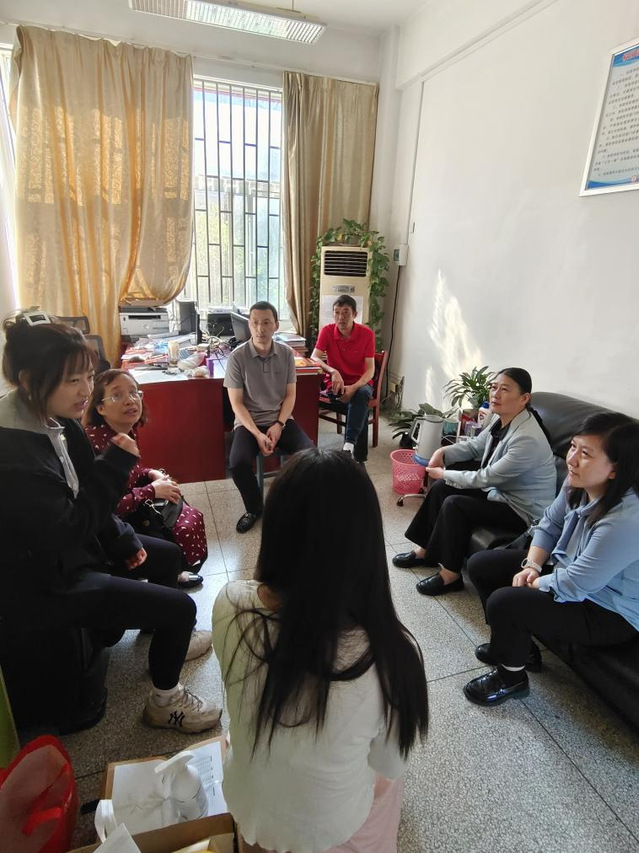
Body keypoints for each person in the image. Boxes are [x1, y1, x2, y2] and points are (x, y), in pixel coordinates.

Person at [0, 311, 220, 733]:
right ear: (29, 380)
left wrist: (123, 540)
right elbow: (69, 528)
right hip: (49, 582)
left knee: (166, 555)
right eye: (73, 381)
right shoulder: (13, 456)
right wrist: (117, 464)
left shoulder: (56, 416)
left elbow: (89, 495)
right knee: (182, 607)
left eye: (88, 377)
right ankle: (165, 702)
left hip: (77, 549)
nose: (86, 391)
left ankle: (159, 632)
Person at [213, 448, 428, 853]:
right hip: (330, 831)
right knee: (390, 781)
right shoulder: (392, 655)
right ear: (367, 543)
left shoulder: (230, 603)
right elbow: (389, 763)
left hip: (245, 806)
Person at [463, 412, 639, 706]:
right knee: (482, 565)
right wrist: (532, 565)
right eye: (573, 447)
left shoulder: (625, 522)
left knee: (506, 602)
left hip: (608, 610)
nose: (572, 460)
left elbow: (577, 584)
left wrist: (533, 583)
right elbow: (550, 524)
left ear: (615, 469)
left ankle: (511, 678)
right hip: (568, 570)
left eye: (586, 454)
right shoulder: (577, 483)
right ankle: (520, 650)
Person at [392, 368, 556, 596]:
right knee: (442, 488)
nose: (495, 394)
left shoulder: (527, 438)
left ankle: (450, 576)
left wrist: (444, 473)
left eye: (504, 389)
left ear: (524, 398)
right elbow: (476, 446)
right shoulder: (502, 418)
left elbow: (486, 477)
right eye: (494, 387)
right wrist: (444, 452)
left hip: (522, 510)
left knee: (455, 504)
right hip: (501, 491)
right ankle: (425, 551)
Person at [84, 369, 207, 590]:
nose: (130, 400)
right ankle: (169, 575)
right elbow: (107, 509)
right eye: (117, 395)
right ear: (100, 407)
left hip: (127, 510)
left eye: (134, 393)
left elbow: (131, 472)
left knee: (183, 512)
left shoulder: (124, 430)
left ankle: (173, 571)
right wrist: (151, 490)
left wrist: (150, 473)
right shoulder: (95, 444)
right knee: (171, 539)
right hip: (107, 530)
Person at [224, 301, 313, 534]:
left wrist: (279, 424)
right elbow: (236, 403)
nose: (260, 328)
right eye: (255, 323)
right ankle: (254, 508)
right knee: (237, 463)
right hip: (248, 422)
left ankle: (294, 505)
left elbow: (290, 395)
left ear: (275, 325)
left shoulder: (286, 354)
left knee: (310, 456)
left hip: (280, 418)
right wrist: (257, 433)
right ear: (249, 325)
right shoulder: (237, 357)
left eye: (266, 322)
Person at [311, 295, 375, 463]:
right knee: (360, 408)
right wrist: (333, 371)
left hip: (360, 383)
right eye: (337, 312)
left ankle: (348, 445)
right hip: (336, 384)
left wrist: (353, 387)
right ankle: (359, 459)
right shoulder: (327, 331)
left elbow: (370, 370)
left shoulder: (367, 334)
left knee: (360, 395)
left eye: (346, 312)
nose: (341, 317)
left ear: (355, 314)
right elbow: (314, 357)